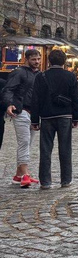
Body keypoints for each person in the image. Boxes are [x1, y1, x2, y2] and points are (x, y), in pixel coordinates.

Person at [31, 48, 78, 190]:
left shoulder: (41, 76)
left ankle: (45, 181)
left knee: (45, 149)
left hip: (47, 116)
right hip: (65, 116)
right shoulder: (70, 76)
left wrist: (35, 120)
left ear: (49, 61)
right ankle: (66, 179)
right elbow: (76, 98)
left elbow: (35, 99)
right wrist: (76, 117)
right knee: (65, 148)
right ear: (64, 61)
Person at [1, 48, 42, 188]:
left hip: (34, 113)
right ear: (26, 59)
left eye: (38, 59)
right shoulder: (19, 72)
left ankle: (18, 176)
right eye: (33, 59)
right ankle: (25, 174)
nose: (36, 62)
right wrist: (9, 104)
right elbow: (8, 90)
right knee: (24, 142)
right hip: (21, 110)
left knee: (28, 143)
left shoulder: (40, 75)